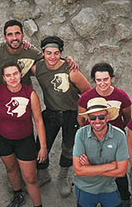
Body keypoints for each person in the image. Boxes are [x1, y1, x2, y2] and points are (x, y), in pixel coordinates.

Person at [0, 63, 50, 207]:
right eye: (8, 75)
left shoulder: (30, 94)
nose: (12, 78)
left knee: (30, 177)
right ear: (3, 78)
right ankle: (18, 194)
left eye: (15, 74)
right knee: (11, 169)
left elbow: (38, 120)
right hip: (3, 139)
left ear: (20, 75)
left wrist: (43, 147)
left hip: (24, 140)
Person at [35, 35, 91, 195]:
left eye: (56, 53)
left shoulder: (71, 71)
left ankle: (63, 175)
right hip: (51, 112)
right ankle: (43, 174)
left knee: (68, 146)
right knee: (41, 144)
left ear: (61, 53)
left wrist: (82, 114)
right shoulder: (37, 68)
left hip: (71, 114)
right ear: (43, 53)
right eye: (48, 53)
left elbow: (88, 92)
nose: (52, 57)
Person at [76, 62, 132, 207]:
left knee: (120, 172)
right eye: (99, 80)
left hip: (116, 137)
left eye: (105, 79)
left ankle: (124, 198)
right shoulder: (87, 97)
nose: (102, 83)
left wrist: (119, 130)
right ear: (94, 80)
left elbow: (127, 116)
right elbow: (81, 119)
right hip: (93, 136)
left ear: (112, 79)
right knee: (94, 162)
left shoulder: (121, 96)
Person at [72, 97, 129, 207]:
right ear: (88, 119)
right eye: (93, 118)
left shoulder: (119, 135)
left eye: (101, 117)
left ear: (108, 117)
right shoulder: (80, 134)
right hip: (85, 189)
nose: (97, 121)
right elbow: (78, 170)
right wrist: (110, 166)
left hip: (108, 188)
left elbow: (121, 172)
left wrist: (89, 168)